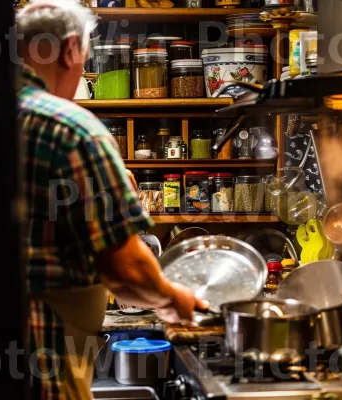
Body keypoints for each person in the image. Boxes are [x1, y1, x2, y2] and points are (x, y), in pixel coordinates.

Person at [15, 2, 207, 399]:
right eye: (83, 57)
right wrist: (174, 300)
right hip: (47, 359)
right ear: (70, 51)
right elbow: (126, 272)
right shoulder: (68, 128)